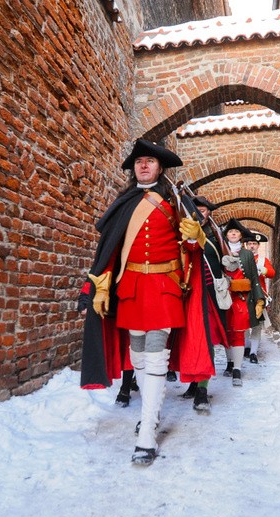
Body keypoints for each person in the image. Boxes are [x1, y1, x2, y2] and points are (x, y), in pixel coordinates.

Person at [80, 138, 199, 466]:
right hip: (130, 286)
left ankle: (147, 430)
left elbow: (190, 250)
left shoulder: (174, 200)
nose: (143, 165)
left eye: (149, 161)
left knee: (157, 354)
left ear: (160, 166)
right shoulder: (125, 201)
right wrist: (101, 286)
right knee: (138, 355)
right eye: (138, 162)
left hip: (164, 285)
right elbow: (111, 248)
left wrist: (192, 236)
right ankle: (153, 412)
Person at [172, 195, 229, 412]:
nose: (200, 213)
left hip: (209, 296)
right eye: (197, 210)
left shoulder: (214, 236)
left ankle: (202, 388)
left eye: (204, 210)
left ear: (209, 214)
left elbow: (218, 261)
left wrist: (202, 240)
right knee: (189, 339)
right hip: (188, 293)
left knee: (205, 340)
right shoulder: (183, 230)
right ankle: (193, 382)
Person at [220, 219, 266, 387]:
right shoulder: (220, 250)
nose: (233, 234)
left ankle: (237, 369)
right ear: (226, 235)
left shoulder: (247, 255)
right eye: (230, 232)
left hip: (241, 299)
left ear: (241, 236)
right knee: (226, 332)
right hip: (223, 297)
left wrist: (259, 298)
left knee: (239, 332)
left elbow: (254, 278)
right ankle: (229, 363)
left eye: (236, 232)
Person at [243, 232, 275, 364]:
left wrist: (264, 270)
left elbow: (272, 273)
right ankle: (246, 346)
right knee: (244, 324)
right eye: (250, 244)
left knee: (257, 326)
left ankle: (253, 353)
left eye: (254, 244)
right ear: (246, 245)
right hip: (244, 295)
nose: (252, 246)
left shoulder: (262, 260)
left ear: (258, 245)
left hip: (258, 296)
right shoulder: (242, 258)